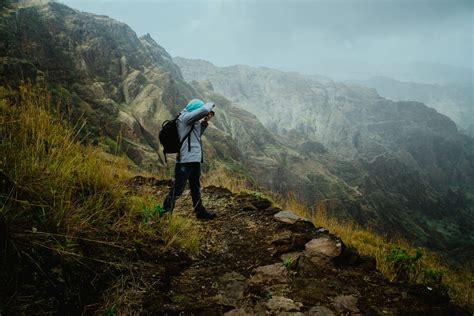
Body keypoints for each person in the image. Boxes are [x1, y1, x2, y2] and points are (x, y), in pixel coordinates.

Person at [162, 99, 217, 219]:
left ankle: (200, 212)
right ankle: (164, 212)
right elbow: (205, 109)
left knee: (195, 187)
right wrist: (211, 103)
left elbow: (196, 136)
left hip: (194, 160)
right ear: (195, 109)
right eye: (198, 110)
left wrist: (204, 122)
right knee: (178, 189)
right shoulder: (185, 118)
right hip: (185, 160)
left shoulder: (192, 121)